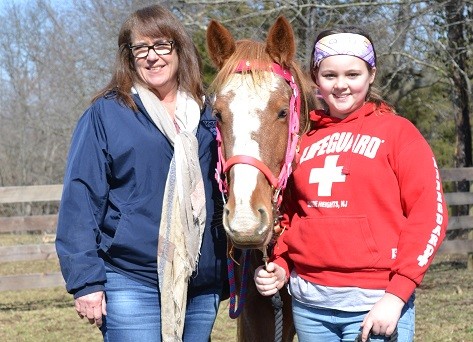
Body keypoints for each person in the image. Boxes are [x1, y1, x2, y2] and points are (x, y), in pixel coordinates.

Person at [254, 26, 447, 342]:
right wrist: (281, 265)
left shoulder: (398, 133)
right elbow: (290, 217)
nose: (341, 85)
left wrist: (396, 296)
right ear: (316, 77)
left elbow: (428, 216)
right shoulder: (302, 140)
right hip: (310, 307)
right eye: (329, 75)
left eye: (352, 74)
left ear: (371, 75)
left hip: (375, 305)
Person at [55, 5, 227, 342]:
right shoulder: (107, 114)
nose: (153, 57)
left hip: (200, 280)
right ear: (129, 56)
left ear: (179, 49)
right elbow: (80, 197)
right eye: (141, 48)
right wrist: (86, 280)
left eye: (163, 45)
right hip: (132, 276)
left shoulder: (209, 115)